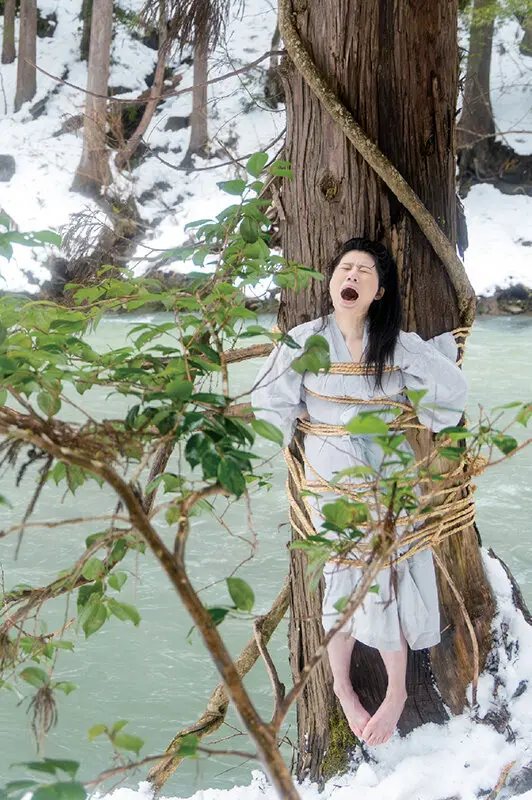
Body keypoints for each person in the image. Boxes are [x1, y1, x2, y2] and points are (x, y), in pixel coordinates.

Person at [251, 238, 468, 746]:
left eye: (364, 271)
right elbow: (270, 405)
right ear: (332, 281)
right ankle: (343, 687)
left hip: (389, 468)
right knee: (344, 568)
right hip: (329, 470)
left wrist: (421, 361)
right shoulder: (305, 340)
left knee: (392, 566)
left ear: (379, 289)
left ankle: (395, 692)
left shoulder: (396, 343)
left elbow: (448, 394)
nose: (351, 275)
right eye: (344, 268)